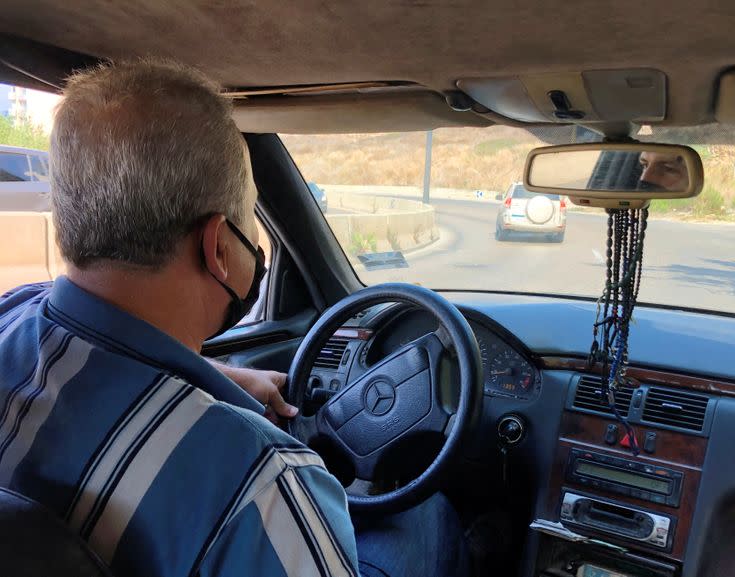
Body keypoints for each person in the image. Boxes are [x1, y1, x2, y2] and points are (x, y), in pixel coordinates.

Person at [0, 60, 465, 577]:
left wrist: (220, 377)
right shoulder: (261, 484)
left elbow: (103, 354)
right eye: (251, 220)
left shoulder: (12, 313)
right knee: (425, 514)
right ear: (220, 247)